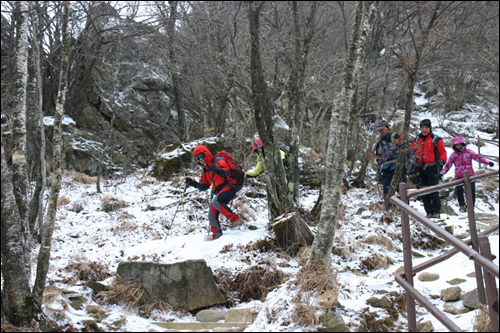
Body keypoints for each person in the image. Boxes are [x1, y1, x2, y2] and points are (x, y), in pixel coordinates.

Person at [185, 145, 243, 240]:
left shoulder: (218, 160)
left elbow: (226, 172)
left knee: (216, 202)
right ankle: (216, 235)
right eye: (197, 159)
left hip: (229, 186)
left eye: (200, 157)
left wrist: (215, 169)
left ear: (206, 154)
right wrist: (192, 183)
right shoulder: (206, 170)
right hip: (220, 191)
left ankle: (235, 219)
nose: (200, 161)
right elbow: (204, 186)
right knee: (212, 211)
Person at [440, 136, 494, 213]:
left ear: (463, 144)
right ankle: (462, 205)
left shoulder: (468, 152)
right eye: (456, 145)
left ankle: (471, 206)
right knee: (459, 191)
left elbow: (478, 158)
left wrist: (488, 162)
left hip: (470, 175)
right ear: (454, 146)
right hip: (459, 176)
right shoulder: (453, 155)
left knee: (471, 191)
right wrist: (442, 173)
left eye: (460, 144)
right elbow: (448, 165)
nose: (458, 146)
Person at [410, 119, 447, 218]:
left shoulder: (436, 139)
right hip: (419, 167)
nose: (424, 130)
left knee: (433, 189)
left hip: (432, 167)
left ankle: (436, 211)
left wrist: (442, 161)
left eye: (426, 127)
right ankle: (428, 211)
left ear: (430, 128)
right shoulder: (417, 140)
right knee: (423, 190)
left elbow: (443, 152)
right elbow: (411, 151)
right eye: (422, 127)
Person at [375, 120, 406, 197]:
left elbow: (404, 152)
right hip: (386, 170)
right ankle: (389, 208)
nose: (380, 132)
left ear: (387, 128)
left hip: (398, 168)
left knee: (401, 192)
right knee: (386, 192)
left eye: (382, 129)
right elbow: (379, 159)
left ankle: (403, 208)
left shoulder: (396, 137)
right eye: (379, 130)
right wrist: (378, 171)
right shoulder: (379, 144)